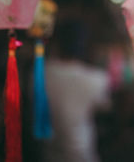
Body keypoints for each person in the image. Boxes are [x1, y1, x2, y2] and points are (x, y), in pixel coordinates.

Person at [43, 18, 110, 162]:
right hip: (82, 154)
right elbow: (104, 108)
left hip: (48, 153)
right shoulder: (97, 79)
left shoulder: (40, 73)